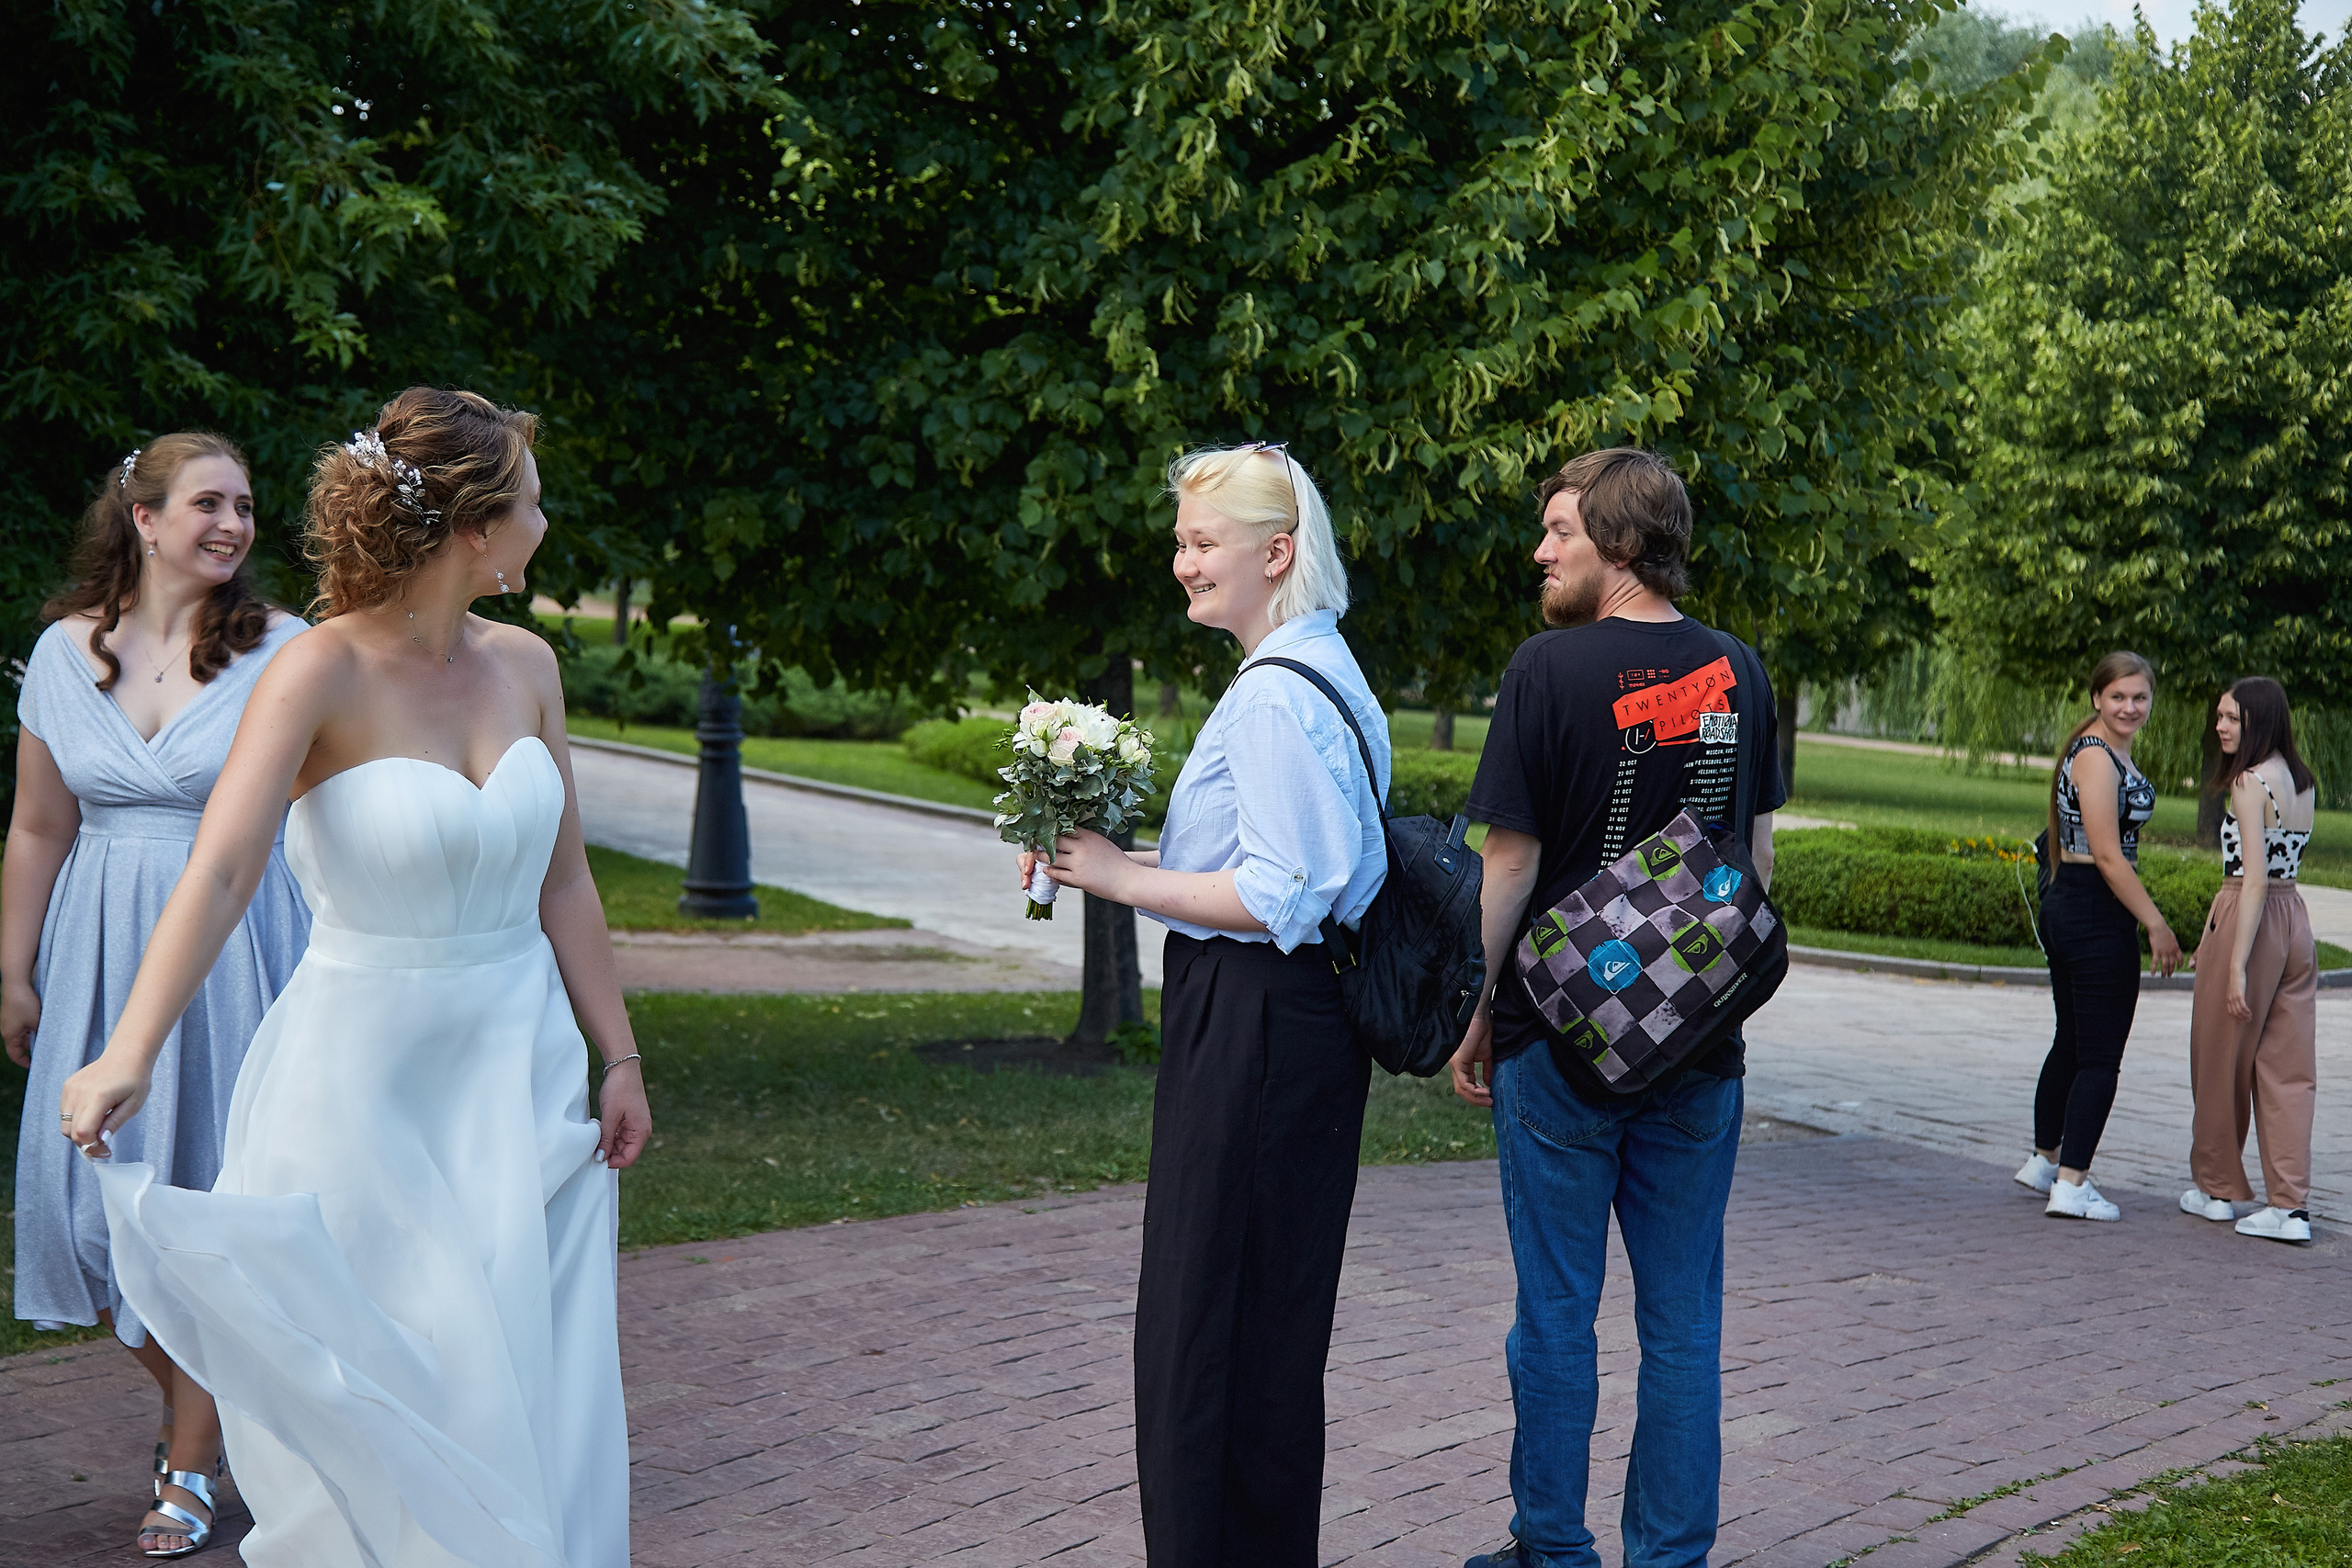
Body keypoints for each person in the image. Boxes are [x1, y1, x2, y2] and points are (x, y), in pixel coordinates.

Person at [57, 388, 651, 1566]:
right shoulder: (317, 670)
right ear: (477, 527)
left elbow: (566, 883)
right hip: (359, 1082)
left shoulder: (528, 665)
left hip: (517, 1078)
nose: (546, 522)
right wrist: (131, 1049)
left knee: (520, 1391)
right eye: (534, 503)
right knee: (392, 1385)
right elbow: (222, 870)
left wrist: (618, 1053)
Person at [1017, 442, 1387, 1567]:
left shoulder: (1278, 694)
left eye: (1200, 543)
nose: (1181, 563)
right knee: (1260, 1331)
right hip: (1283, 1019)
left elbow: (1279, 892)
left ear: (1276, 554)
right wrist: (1114, 857)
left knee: (1204, 1327)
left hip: (1259, 1021)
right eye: (1179, 542)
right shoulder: (1316, 669)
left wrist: (1118, 877)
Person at [1446, 446, 1782, 1568]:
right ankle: (1670, 1558)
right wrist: (1707, 999)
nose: (1539, 552)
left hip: (1558, 1044)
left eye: (1560, 532)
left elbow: (1507, 861)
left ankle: (1551, 1549)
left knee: (1554, 1311)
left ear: (1622, 546)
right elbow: (1753, 859)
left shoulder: (1545, 669)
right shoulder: (1740, 667)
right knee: (1682, 1320)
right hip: (1698, 1047)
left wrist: (1473, 1007)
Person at [3, 433, 310, 1555]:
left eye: (244, 506)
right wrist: (13, 969)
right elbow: (40, 825)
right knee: (78, 1214)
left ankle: (191, 1451)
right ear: (141, 516)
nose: (233, 525)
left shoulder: (286, 650)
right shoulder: (59, 652)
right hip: (93, 948)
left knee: (213, 1209)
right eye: (208, 504)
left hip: (237, 947)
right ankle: (205, 1418)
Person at [2013, 651, 2180, 1223]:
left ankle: (2045, 1161)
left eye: (2140, 697)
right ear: (2096, 699)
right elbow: (2108, 855)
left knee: (2074, 1039)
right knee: (2101, 1054)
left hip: (2076, 904)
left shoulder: (2098, 747)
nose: (2130, 707)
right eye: (2118, 697)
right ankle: (2073, 1183)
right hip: (2091, 906)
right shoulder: (2096, 758)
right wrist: (2155, 923)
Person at [2183, 677, 2318, 1244]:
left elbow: (2254, 878)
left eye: (2232, 718)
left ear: (2257, 721)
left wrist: (2234, 962)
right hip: (2296, 922)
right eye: (2220, 716)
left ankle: (2218, 1190)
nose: (2221, 726)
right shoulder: (2302, 782)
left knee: (2220, 1056)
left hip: (2250, 912)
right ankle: (2290, 1208)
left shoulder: (2247, 783)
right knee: (2288, 1070)